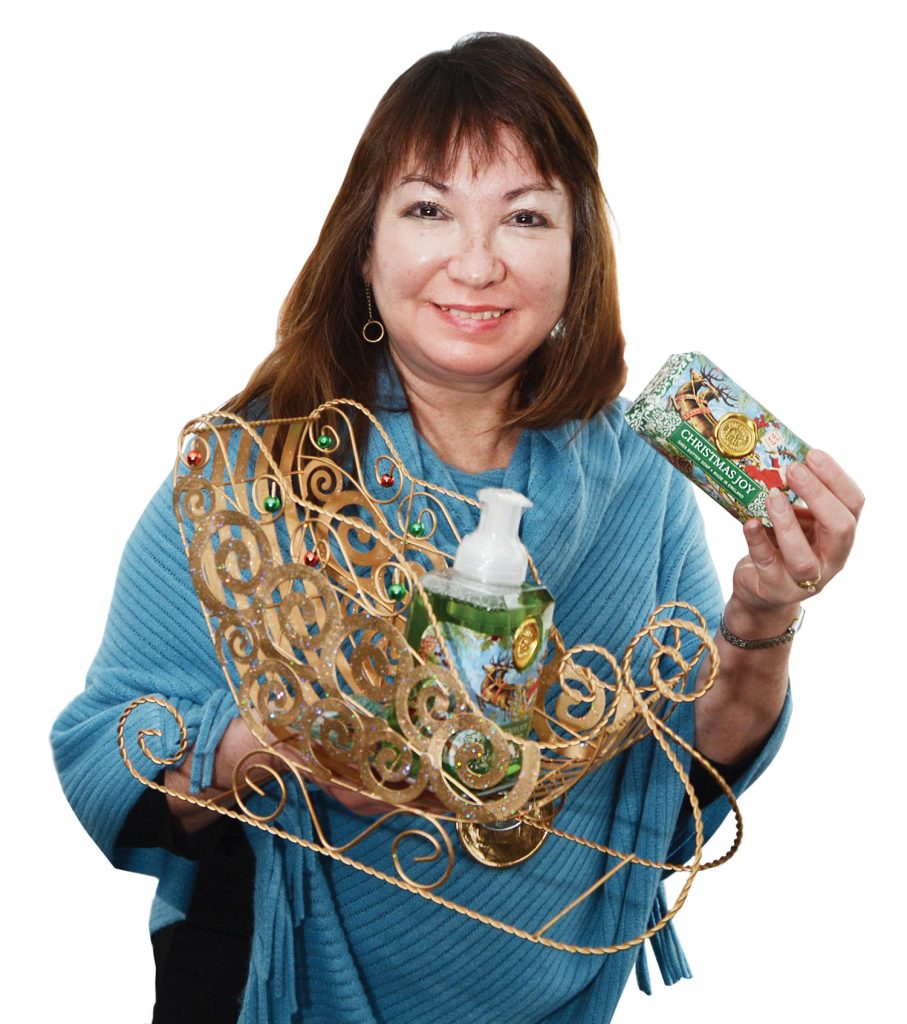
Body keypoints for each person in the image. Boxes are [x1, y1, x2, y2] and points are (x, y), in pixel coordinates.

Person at [51, 32, 862, 1024]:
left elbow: (678, 774)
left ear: (576, 252)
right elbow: (107, 745)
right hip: (273, 990)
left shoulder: (633, 479)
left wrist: (764, 614)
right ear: (364, 243)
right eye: (429, 208)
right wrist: (283, 750)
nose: (475, 263)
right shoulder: (253, 470)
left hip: (558, 1001)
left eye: (523, 216)